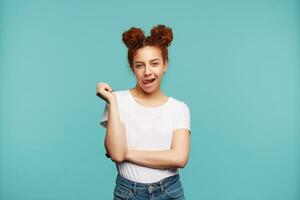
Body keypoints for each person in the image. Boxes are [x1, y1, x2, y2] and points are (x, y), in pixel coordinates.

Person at [96, 24, 191, 200]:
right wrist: (112, 102)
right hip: (128, 192)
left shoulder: (179, 108)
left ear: (165, 65)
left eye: (154, 63)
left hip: (169, 191)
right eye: (140, 65)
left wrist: (128, 153)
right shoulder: (116, 100)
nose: (147, 72)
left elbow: (179, 157)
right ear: (133, 69)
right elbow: (116, 154)